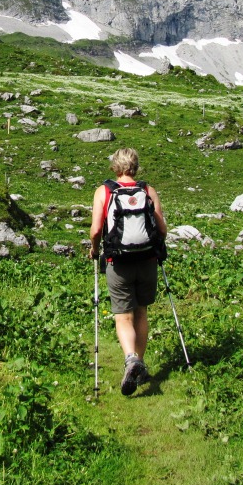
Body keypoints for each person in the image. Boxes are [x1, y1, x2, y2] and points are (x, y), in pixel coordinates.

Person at [89, 147, 168, 396]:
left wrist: (94, 249)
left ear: (115, 165)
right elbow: (162, 228)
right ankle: (140, 365)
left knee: (123, 315)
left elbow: (95, 229)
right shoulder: (147, 190)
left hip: (118, 260)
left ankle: (131, 359)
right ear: (136, 166)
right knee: (141, 311)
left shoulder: (104, 191)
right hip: (146, 258)